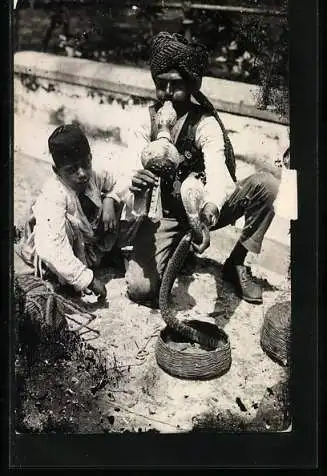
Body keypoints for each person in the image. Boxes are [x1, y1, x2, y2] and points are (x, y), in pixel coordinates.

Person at [124, 31, 280, 307]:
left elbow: (220, 177)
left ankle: (236, 262)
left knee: (267, 186)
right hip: (166, 215)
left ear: (192, 85)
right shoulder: (144, 119)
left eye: (176, 85)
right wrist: (135, 183)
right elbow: (127, 169)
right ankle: (174, 250)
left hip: (203, 208)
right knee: (140, 288)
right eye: (161, 85)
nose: (168, 94)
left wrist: (207, 214)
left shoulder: (205, 123)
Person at [15, 124, 133, 300]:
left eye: (86, 164)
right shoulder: (54, 192)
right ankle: (65, 280)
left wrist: (111, 199)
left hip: (90, 246)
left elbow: (122, 179)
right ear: (57, 171)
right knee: (64, 224)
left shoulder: (94, 174)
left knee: (124, 200)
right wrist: (87, 280)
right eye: (71, 170)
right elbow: (51, 248)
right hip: (60, 251)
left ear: (90, 157)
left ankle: (107, 255)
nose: (82, 174)